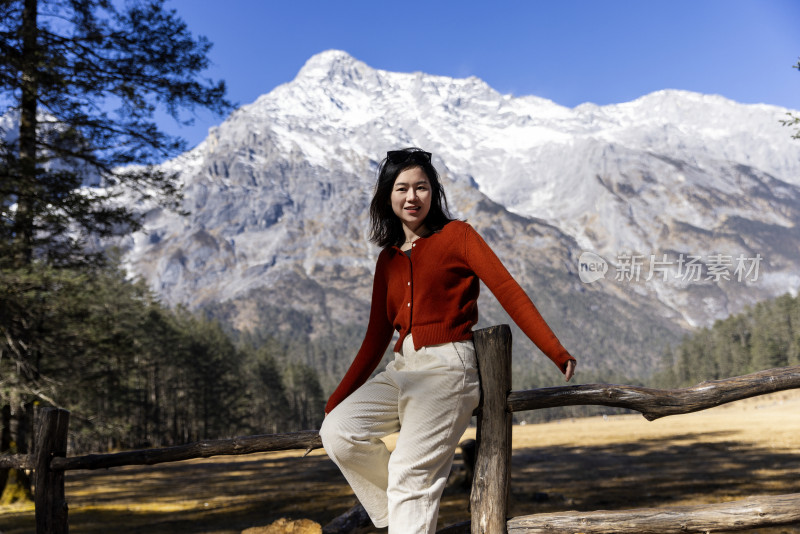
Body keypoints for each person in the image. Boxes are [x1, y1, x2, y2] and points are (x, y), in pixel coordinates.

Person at [320, 147, 577, 533]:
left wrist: (554, 350)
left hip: (447, 369)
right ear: (387, 196)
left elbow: (507, 289)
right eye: (402, 188)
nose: (412, 197)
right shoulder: (387, 260)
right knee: (338, 433)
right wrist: (335, 402)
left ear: (433, 192)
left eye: (421, 187)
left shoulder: (458, 235)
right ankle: (402, 514)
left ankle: (408, 511)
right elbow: (375, 338)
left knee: (411, 478)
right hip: (402, 369)